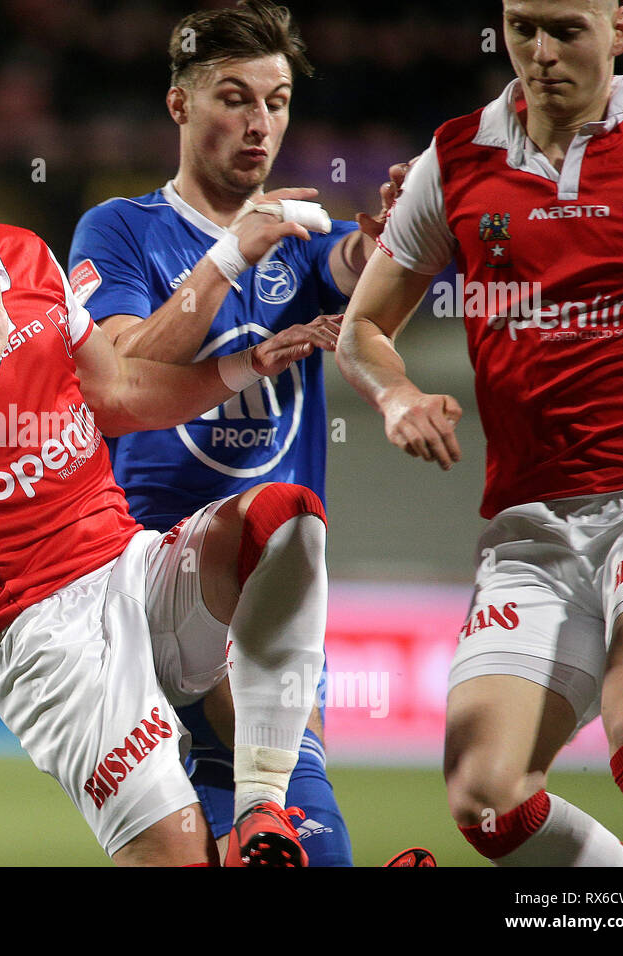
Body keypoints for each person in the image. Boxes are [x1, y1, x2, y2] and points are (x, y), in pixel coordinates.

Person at [0, 69, 339, 865]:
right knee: (177, 857)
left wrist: (246, 366)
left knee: (284, 522)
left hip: (129, 565)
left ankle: (263, 809)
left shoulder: (22, 258)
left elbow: (122, 391)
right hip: (39, 632)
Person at [337, 0, 623, 865]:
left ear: (619, 29)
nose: (539, 52)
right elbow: (361, 331)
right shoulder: (455, 160)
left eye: (565, 29)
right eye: (523, 27)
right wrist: (396, 399)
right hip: (535, 527)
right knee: (486, 799)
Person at [67, 0, 418, 865]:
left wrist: (410, 231)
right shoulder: (119, 231)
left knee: (285, 841)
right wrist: (230, 257)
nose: (260, 123)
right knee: (285, 818)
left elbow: (364, 273)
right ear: (180, 105)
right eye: (234, 97)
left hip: (268, 608)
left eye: (278, 100)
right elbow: (125, 373)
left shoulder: (301, 241)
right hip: (146, 594)